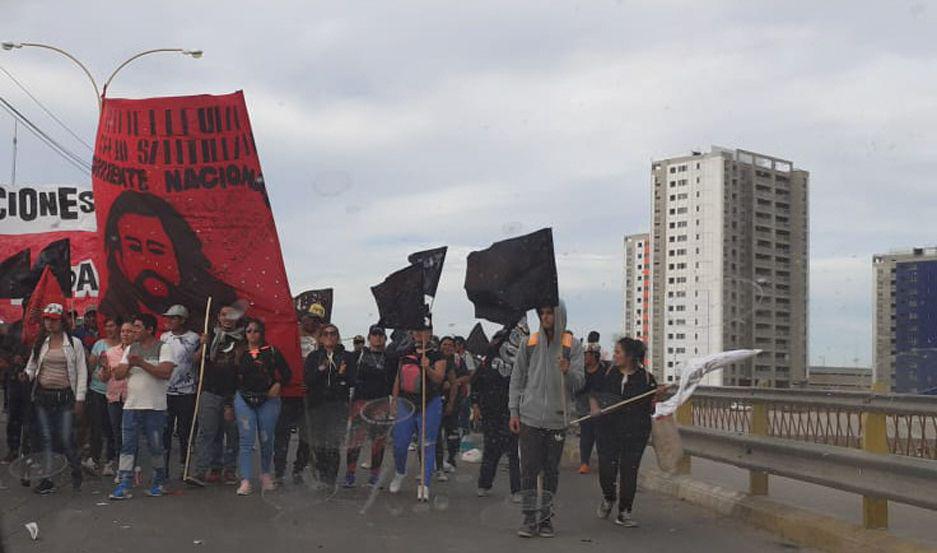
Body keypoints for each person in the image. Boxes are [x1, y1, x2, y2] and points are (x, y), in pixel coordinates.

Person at [99, 190, 237, 330]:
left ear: (179, 257)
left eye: (156, 250)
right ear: (118, 256)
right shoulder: (113, 310)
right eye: (134, 248)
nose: (146, 261)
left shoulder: (213, 307)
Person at [509, 301, 584, 538]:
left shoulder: (573, 346)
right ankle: (529, 518)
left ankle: (546, 517)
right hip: (530, 417)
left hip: (557, 419)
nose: (545, 317)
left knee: (551, 471)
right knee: (529, 470)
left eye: (549, 313)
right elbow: (517, 379)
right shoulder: (529, 343)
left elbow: (579, 382)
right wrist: (514, 411)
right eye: (541, 313)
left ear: (559, 314)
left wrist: (568, 370)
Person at [108, 313, 176, 499]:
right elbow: (119, 375)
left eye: (138, 327)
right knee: (127, 446)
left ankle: (159, 482)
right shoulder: (131, 349)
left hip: (155, 407)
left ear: (150, 329)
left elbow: (165, 372)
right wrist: (130, 363)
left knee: (156, 446)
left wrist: (142, 363)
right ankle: (124, 484)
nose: (134, 331)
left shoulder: (164, 348)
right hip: (131, 407)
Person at [592, 338, 658, 528]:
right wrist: (595, 406)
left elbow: (651, 409)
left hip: (635, 433)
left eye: (618, 352)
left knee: (629, 471)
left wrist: (655, 399)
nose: (615, 355)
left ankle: (624, 511)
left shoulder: (647, 379)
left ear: (629, 356)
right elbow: (593, 394)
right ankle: (608, 497)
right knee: (606, 469)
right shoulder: (607, 374)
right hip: (608, 431)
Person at [24, 303, 88, 494]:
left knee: (65, 437)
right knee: (46, 438)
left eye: (53, 320)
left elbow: (81, 372)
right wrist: (25, 374)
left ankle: (76, 468)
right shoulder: (41, 342)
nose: (49, 323)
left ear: (61, 321)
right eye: (46, 320)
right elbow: (32, 367)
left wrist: (80, 399)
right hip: (43, 397)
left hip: (65, 397)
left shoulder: (74, 343)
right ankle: (47, 479)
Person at [388, 326, 446, 501]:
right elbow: (398, 378)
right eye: (416, 331)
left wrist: (427, 368)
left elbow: (439, 378)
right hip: (406, 402)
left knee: (427, 444)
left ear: (430, 333)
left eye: (424, 331)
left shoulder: (438, 355)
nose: (420, 334)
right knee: (400, 442)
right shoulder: (405, 353)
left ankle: (425, 484)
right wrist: (394, 400)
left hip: (429, 402)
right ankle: (399, 471)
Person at [189, 305, 244, 486]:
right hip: (209, 391)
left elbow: (243, 367)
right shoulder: (208, 335)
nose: (227, 318)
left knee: (232, 433)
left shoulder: (243, 338)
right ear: (218, 317)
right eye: (223, 315)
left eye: (231, 315)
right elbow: (194, 361)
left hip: (234, 393)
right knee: (207, 432)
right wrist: (203, 346)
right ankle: (202, 471)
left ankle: (229, 470)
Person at [233, 318, 290, 495]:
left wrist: (278, 384)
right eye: (248, 331)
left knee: (266, 439)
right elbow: (230, 376)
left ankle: (265, 474)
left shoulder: (271, 351)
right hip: (244, 398)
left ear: (262, 333)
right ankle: (245, 479)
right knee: (246, 440)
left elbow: (287, 374)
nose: (252, 334)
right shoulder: (238, 352)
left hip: (268, 399)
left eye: (256, 331)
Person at [472, 323, 526, 501]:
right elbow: (475, 384)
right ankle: (484, 483)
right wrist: (476, 405)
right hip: (491, 411)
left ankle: (516, 489)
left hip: (513, 411)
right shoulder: (487, 364)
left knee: (514, 452)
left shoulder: (520, 364)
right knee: (491, 449)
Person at [344, 325, 396, 488]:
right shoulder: (358, 355)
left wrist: (393, 402)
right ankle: (350, 474)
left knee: (378, 441)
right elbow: (347, 375)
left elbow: (395, 380)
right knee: (355, 439)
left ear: (385, 338)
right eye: (375, 334)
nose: (378, 337)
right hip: (360, 401)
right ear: (369, 337)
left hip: (381, 402)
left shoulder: (390, 357)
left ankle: (375, 476)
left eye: (381, 335)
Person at [303, 323, 354, 487]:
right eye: (326, 334)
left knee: (333, 443)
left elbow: (353, 381)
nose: (329, 337)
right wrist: (321, 369)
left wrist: (341, 375)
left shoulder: (347, 356)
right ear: (321, 338)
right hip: (317, 405)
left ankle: (330, 479)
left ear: (338, 337)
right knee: (318, 442)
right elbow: (308, 381)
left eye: (333, 334)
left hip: (338, 406)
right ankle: (322, 472)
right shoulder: (314, 357)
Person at [273, 306, 319, 484]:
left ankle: (299, 469)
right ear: (302, 318)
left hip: (309, 394)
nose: (313, 322)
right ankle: (279, 471)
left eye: (316, 320)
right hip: (288, 392)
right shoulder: (289, 333)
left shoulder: (321, 338)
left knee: (307, 436)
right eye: (310, 318)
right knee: (282, 433)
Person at [159, 304, 201, 478]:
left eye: (173, 318)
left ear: (182, 320)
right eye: (168, 317)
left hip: (187, 391)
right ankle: (163, 469)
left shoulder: (194, 338)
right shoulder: (164, 337)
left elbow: (197, 360)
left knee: (185, 432)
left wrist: (203, 346)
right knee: (165, 432)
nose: (169, 321)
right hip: (166, 391)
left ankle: (185, 465)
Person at [86, 316, 122, 476]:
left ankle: (110, 460)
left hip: (115, 392)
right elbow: (90, 365)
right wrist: (98, 361)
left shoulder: (125, 346)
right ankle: (93, 459)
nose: (109, 329)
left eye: (112, 325)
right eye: (107, 326)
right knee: (96, 426)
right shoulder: (99, 344)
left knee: (112, 428)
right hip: (97, 390)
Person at [99, 321, 135, 483]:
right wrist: (106, 369)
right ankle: (122, 468)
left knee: (131, 434)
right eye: (123, 331)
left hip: (133, 397)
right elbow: (104, 378)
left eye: (129, 331)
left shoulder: (139, 351)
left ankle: (132, 466)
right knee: (117, 433)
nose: (125, 334)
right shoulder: (110, 352)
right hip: (114, 397)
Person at [435, 337, 465, 482]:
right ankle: (437, 464)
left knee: (452, 433)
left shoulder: (458, 360)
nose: (447, 347)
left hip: (453, 401)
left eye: (450, 345)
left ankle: (451, 459)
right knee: (435, 435)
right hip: (435, 401)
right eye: (444, 344)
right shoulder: (435, 358)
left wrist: (456, 382)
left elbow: (468, 375)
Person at [577, 336, 606, 475]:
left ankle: (604, 464)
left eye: (587, 355)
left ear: (594, 356)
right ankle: (584, 463)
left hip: (601, 411)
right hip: (584, 410)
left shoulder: (604, 371)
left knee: (601, 437)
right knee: (585, 436)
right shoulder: (581, 372)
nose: (585, 357)